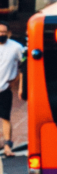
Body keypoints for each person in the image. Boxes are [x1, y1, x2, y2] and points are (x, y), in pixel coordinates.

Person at [0, 23, 26, 157]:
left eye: (4, 32)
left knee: (5, 117)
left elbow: (24, 65)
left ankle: (7, 146)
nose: (2, 34)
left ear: (9, 33)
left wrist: (16, 81)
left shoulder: (16, 47)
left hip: (4, 88)